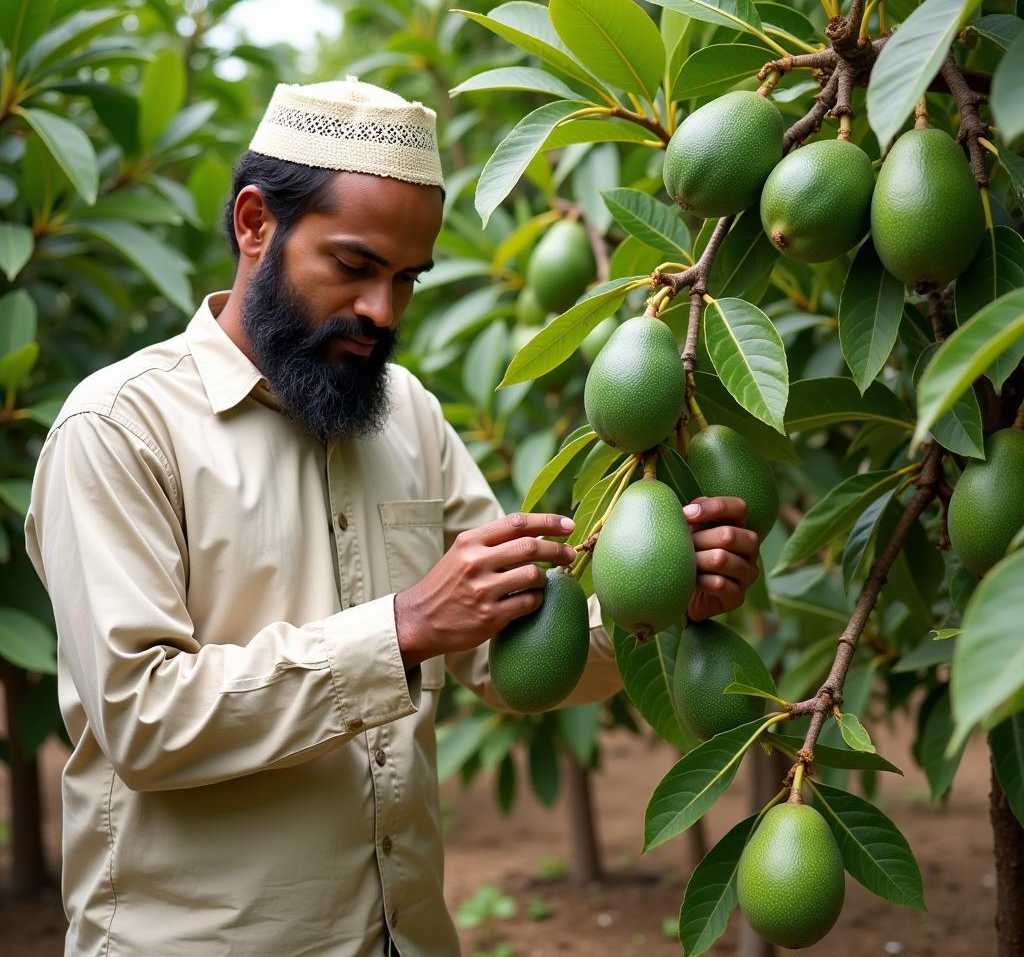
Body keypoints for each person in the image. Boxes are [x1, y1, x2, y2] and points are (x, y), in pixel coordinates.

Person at [24, 78, 762, 957]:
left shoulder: (405, 413)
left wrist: (661, 607)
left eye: (408, 277)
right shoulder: (119, 429)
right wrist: (402, 630)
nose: (384, 311)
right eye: (354, 266)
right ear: (254, 223)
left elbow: (504, 652)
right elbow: (141, 719)